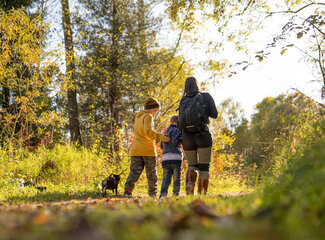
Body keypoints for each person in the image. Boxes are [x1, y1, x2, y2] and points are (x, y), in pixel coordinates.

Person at [179, 77, 218, 195]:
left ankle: (190, 186)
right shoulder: (205, 96)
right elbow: (214, 114)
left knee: (192, 165)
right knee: (204, 167)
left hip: (187, 137)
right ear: (197, 84)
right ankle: (202, 193)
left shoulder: (183, 100)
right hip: (202, 134)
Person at [124, 97, 170, 197]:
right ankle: (152, 195)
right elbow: (148, 132)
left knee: (134, 173)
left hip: (136, 149)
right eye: (155, 110)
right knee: (152, 174)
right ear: (150, 108)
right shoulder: (148, 116)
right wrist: (162, 137)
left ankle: (127, 191)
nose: (155, 113)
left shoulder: (139, 116)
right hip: (147, 150)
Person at [159, 115, 183, 198]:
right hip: (176, 157)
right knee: (177, 179)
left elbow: (161, 146)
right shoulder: (179, 130)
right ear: (178, 122)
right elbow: (175, 142)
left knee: (166, 178)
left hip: (165, 158)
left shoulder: (165, 131)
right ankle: (176, 195)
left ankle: (163, 194)